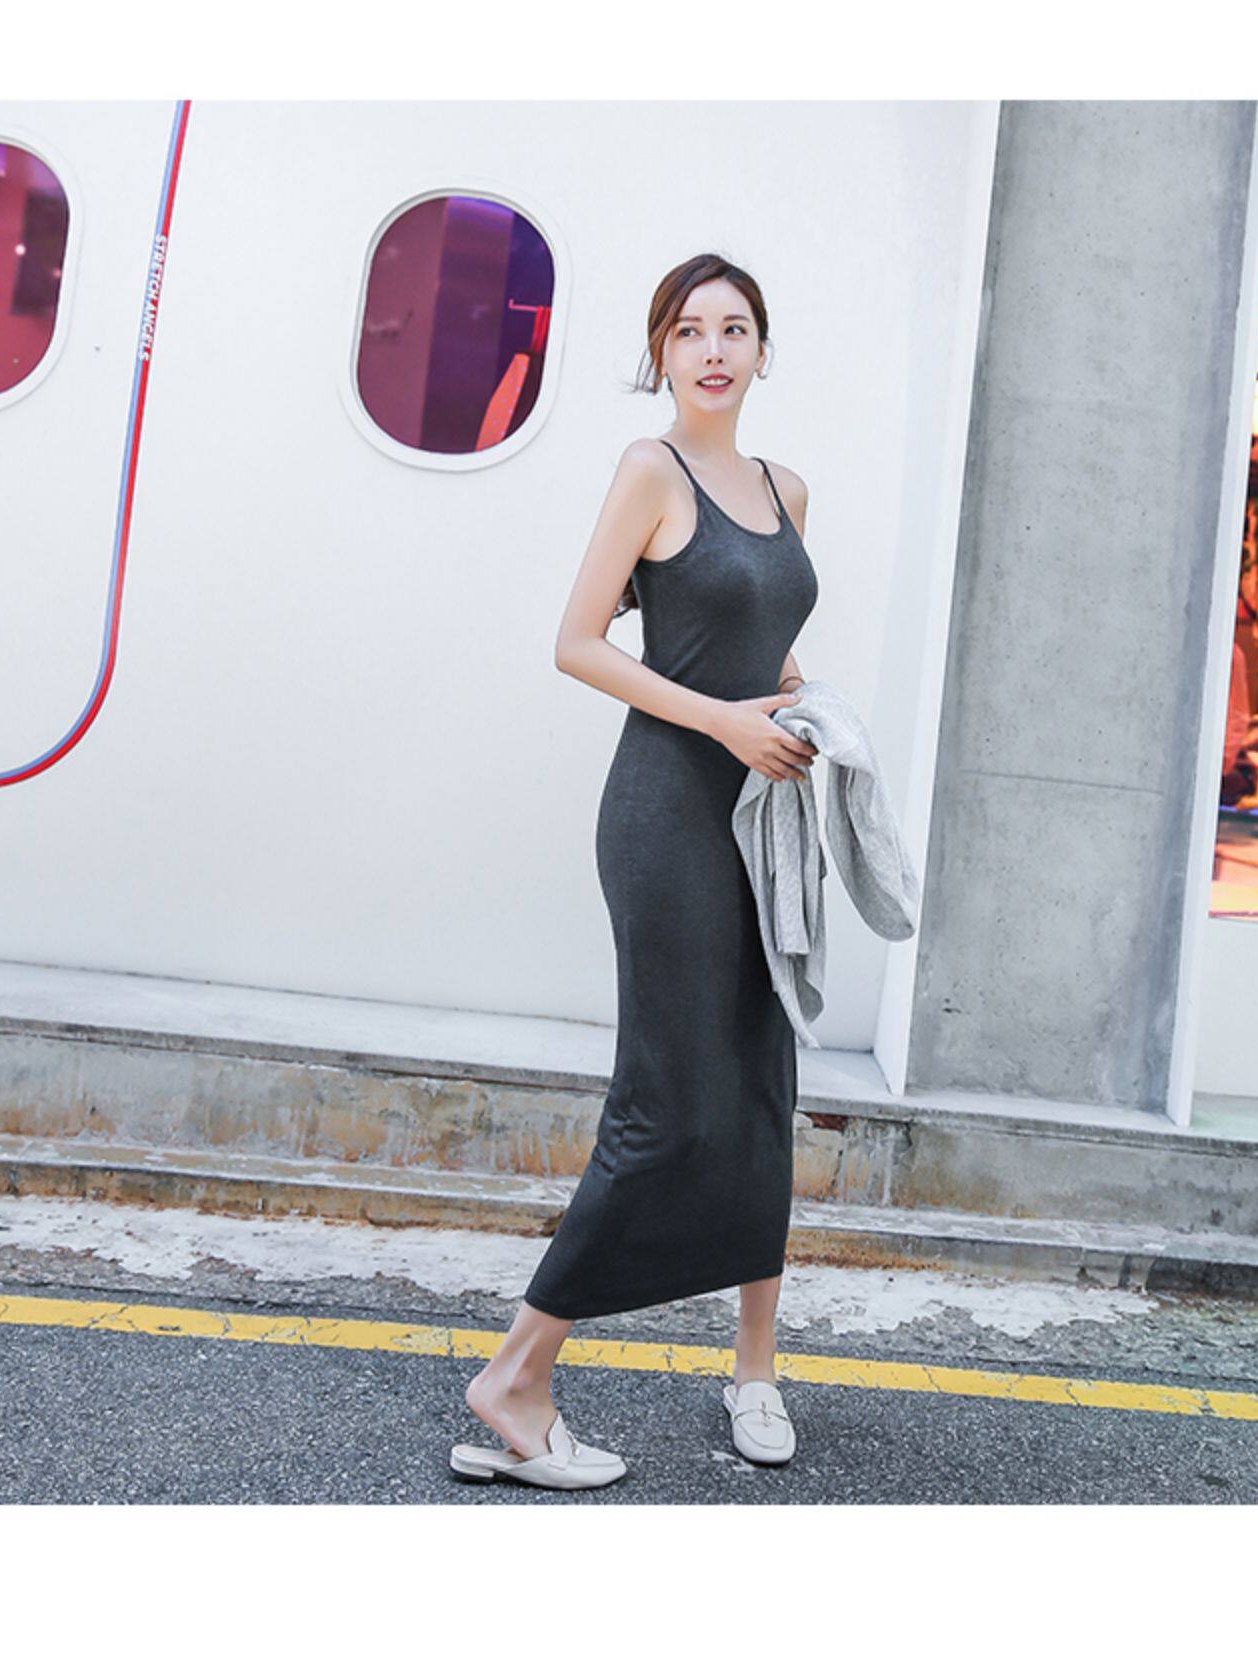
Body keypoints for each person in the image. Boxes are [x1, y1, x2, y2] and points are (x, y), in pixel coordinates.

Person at [452, 252, 820, 1490]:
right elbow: (577, 642)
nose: (714, 349)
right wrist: (723, 722)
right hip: (666, 815)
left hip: (762, 818)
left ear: (762, 349)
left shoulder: (786, 489)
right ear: (661, 351)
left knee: (762, 1087)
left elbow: (760, 647)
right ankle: (516, 1375)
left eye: (735, 328)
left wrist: (798, 705)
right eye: (689, 329)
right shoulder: (650, 471)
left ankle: (755, 1371)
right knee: (662, 1105)